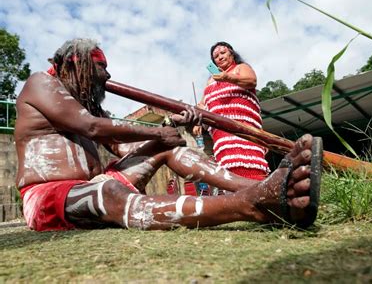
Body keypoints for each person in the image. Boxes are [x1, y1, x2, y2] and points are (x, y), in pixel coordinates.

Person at [14, 38, 323, 232]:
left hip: (92, 184)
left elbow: (124, 147)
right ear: (75, 63)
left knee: (165, 147)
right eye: (101, 67)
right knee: (109, 192)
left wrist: (173, 132)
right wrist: (154, 130)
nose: (108, 76)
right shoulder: (41, 83)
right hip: (48, 196)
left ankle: (267, 189)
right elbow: (90, 128)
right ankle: (251, 205)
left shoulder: (90, 105)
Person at [193, 42, 269, 181]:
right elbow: (203, 104)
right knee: (229, 169)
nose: (220, 57)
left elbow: (251, 81)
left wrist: (227, 77)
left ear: (231, 53)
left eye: (223, 53)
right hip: (221, 135)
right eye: (216, 56)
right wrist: (198, 120)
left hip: (244, 127)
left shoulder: (241, 68)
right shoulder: (210, 81)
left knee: (250, 163)